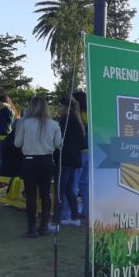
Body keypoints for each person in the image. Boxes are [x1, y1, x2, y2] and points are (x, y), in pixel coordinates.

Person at [14, 97, 62, 238]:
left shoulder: (24, 123)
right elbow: (59, 144)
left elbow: (17, 144)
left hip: (29, 161)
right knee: (46, 194)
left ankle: (31, 228)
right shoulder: (54, 124)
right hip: (47, 161)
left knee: (30, 196)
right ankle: (44, 227)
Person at [55, 97, 85, 228]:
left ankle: (56, 221)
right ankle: (74, 217)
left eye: (60, 106)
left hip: (65, 160)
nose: (58, 108)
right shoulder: (78, 121)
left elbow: (58, 140)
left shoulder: (65, 121)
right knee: (69, 190)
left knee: (60, 191)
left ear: (67, 107)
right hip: (74, 159)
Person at [0, 94, 18, 176]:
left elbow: (7, 105)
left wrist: (2, 104)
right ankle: (0, 179)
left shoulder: (8, 111)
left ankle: (4, 178)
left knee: (1, 161)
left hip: (2, 139)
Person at [71, 91, 89, 218]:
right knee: (85, 184)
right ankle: (86, 211)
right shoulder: (91, 114)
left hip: (78, 152)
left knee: (72, 183)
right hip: (90, 151)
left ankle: (70, 213)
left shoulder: (74, 115)